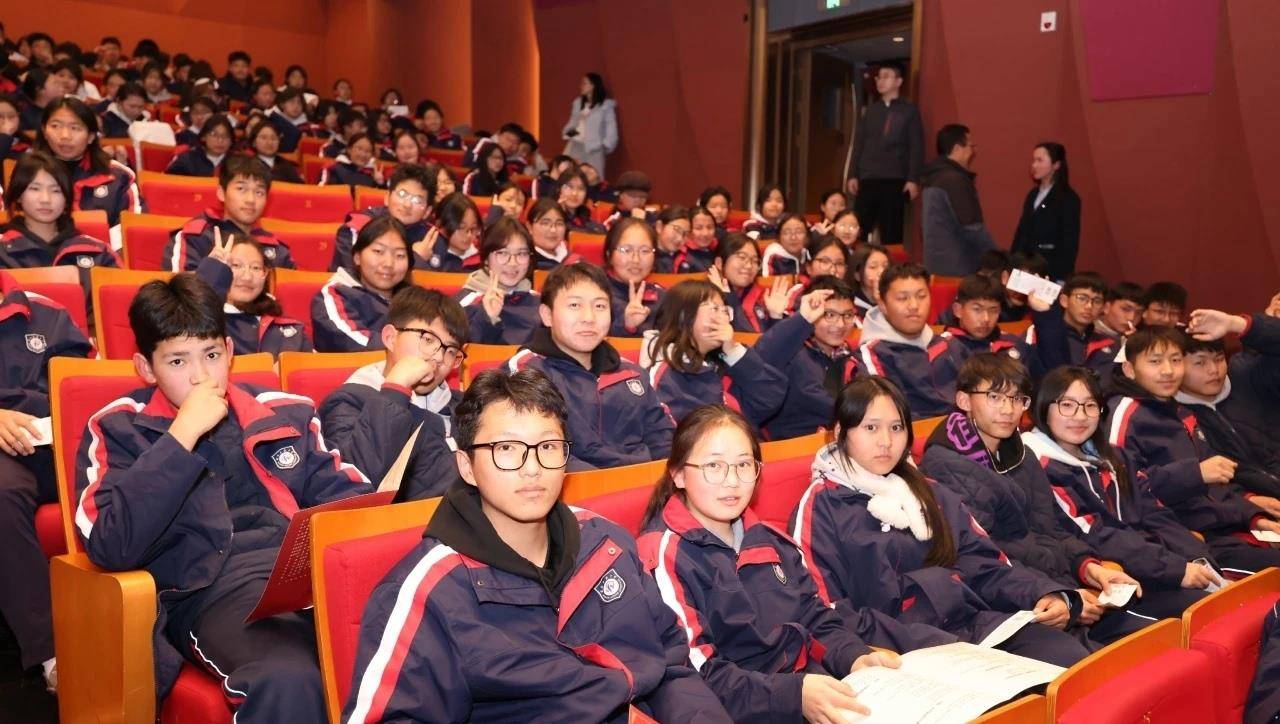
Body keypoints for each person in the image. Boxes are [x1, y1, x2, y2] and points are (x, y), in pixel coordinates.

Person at [344, 367, 728, 721]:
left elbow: (672, 663)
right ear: (467, 467)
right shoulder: (429, 591)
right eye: (506, 449)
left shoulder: (605, 542)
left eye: (548, 447)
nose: (532, 468)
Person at [73, 271, 368, 721]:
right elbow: (110, 543)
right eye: (177, 361)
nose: (200, 377)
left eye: (211, 355)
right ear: (146, 368)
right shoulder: (119, 428)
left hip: (303, 578)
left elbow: (351, 501)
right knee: (288, 679)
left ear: (230, 352)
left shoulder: (283, 411)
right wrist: (182, 435)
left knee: (414, 640)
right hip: (209, 591)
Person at [793, 376, 1091, 666]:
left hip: (974, 629)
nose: (886, 441)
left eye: (896, 427)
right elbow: (826, 611)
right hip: (900, 651)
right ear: (840, 432)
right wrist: (932, 643)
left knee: (1068, 658)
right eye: (871, 428)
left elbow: (986, 565)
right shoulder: (821, 507)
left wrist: (1044, 593)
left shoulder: (930, 491)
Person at [640, 404, 899, 721]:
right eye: (714, 466)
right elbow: (696, 674)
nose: (732, 481)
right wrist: (793, 696)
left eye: (743, 465)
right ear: (679, 474)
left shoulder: (773, 541)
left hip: (805, 688)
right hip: (744, 709)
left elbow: (814, 618)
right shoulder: (663, 556)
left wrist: (854, 657)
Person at [920, 354, 1158, 645]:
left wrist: (1090, 568)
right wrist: (1061, 594)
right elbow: (984, 560)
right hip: (1014, 603)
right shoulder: (947, 465)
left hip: (1055, 586)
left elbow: (1054, 526)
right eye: (995, 397)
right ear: (964, 400)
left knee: (1152, 639)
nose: (1008, 409)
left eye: (1017, 399)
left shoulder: (1019, 452)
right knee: (1113, 659)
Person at [1024, 367, 1219, 599]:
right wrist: (1176, 570)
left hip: (1157, 564)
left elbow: (1155, 513)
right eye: (1067, 405)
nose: (1080, 416)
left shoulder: (1116, 457)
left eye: (1090, 405)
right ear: (1043, 408)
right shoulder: (1040, 465)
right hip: (1116, 581)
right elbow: (1096, 535)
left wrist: (1198, 559)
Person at [1106, 326, 1280, 574]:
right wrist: (1194, 474)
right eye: (1155, 361)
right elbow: (1123, 491)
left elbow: (1217, 486)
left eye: (1175, 360)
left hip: (1223, 528)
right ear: (1130, 369)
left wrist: (1254, 516)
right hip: (1185, 542)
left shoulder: (1179, 411)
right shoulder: (1124, 414)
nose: (1168, 370)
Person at [0, 269, 92, 694]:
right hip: (4, 453)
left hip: (57, 439)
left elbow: (86, 386)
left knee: (136, 473)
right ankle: (52, 653)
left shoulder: (48, 313)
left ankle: (151, 624)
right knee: (2, 493)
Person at [506, 263, 674, 470]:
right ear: (547, 315)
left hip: (643, 482)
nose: (589, 318)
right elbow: (539, 451)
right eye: (575, 305)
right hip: (574, 486)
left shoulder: (632, 373)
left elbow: (664, 439)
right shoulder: (526, 372)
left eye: (600, 306)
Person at [320, 286, 466, 502]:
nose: (438, 358)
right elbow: (355, 488)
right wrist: (397, 388)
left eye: (451, 351)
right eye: (428, 340)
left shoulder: (461, 405)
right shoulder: (347, 402)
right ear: (390, 338)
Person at [643, 280, 790, 427]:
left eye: (725, 311)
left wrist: (733, 351)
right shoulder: (665, 371)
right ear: (683, 315)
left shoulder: (720, 361)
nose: (724, 318)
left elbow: (769, 399)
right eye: (714, 309)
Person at [1175, 310, 1280, 497]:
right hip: (1258, 505)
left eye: (1219, 359)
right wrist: (1246, 499)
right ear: (1176, 366)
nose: (1214, 370)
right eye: (1200, 363)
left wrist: (1237, 324)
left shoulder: (1248, 374)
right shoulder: (1174, 416)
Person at [754, 276, 860, 440]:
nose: (840, 324)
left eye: (847, 315)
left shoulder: (853, 356)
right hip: (794, 447)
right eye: (830, 315)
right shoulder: (793, 354)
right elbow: (761, 358)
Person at [0, 151, 120, 290]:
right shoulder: (3, 250)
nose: (45, 199)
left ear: (67, 199)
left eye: (56, 191)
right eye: (35, 189)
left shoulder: (99, 252)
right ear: (18, 195)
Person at [34, 97, 145, 246]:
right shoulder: (28, 173)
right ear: (44, 131)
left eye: (75, 128)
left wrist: (98, 252)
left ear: (91, 136)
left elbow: (131, 228)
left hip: (103, 255)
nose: (65, 136)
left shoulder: (118, 176)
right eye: (55, 126)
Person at [856, 263, 955, 418]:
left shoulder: (948, 344)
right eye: (902, 298)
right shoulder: (872, 356)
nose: (914, 306)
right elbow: (890, 416)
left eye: (921, 296)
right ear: (882, 304)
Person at [193, 230, 311, 356]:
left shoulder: (291, 331)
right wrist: (211, 274)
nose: (247, 277)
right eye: (236, 265)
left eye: (256, 267)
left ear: (265, 274)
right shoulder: (203, 324)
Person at [165, 157, 293, 271]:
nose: (251, 200)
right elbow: (180, 287)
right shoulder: (196, 238)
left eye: (259, 192)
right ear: (221, 193)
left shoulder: (275, 248)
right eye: (241, 189)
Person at [846, 62, 923, 247]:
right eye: (879, 77)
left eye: (886, 76)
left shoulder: (909, 111)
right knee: (858, 229)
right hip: (868, 178)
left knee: (891, 233)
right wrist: (853, 174)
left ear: (898, 81)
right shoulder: (871, 111)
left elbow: (916, 146)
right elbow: (859, 144)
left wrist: (913, 178)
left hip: (894, 179)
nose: (880, 81)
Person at [312, 214, 412, 352]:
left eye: (400, 255)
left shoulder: (415, 300)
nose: (389, 263)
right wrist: (410, 347)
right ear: (357, 257)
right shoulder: (335, 293)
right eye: (378, 251)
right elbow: (350, 340)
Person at [920, 124, 996, 276]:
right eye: (970, 146)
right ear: (956, 149)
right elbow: (972, 227)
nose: (973, 151)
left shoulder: (933, 177)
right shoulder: (954, 181)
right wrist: (996, 257)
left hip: (936, 264)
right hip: (959, 267)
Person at [329, 164, 434, 272]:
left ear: (427, 211)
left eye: (417, 200)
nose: (407, 205)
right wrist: (416, 260)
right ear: (387, 197)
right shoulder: (358, 228)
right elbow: (353, 277)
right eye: (402, 194)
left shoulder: (431, 237)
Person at [455, 217, 541, 345]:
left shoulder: (539, 301)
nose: (513, 263)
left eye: (521, 254)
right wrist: (487, 317)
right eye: (503, 253)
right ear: (486, 258)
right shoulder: (465, 303)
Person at [938, 274, 1041, 380]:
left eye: (993, 310)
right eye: (977, 309)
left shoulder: (1013, 344)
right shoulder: (944, 350)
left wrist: (1044, 314)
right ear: (958, 310)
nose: (986, 318)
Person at [1023, 272, 1119, 376]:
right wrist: (1044, 312)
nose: (1089, 306)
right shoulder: (1039, 332)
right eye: (1082, 298)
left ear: (1103, 307)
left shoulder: (1110, 343)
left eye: (1097, 301)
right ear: (1064, 300)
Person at [1012, 142, 1081, 281]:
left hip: (1050, 268)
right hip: (1025, 266)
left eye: (1040, 160)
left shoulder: (1068, 198)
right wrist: (1012, 262)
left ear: (1056, 165)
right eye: (1033, 160)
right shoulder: (1033, 194)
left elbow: (1069, 241)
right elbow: (1021, 231)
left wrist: (1062, 277)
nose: (1034, 165)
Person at [603, 217, 665, 337]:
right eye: (627, 250)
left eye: (645, 251)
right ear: (609, 254)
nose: (636, 259)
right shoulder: (594, 295)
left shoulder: (662, 297)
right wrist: (627, 325)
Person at [562, 72, 618, 177]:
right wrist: (569, 133)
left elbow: (611, 129)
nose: (581, 86)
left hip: (594, 149)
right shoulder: (578, 103)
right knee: (571, 176)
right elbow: (573, 122)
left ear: (593, 86)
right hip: (576, 145)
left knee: (592, 177)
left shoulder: (605, 106)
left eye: (584, 83)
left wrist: (604, 145)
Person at [420, 192, 482, 272]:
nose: (469, 235)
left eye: (473, 228)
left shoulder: (480, 260)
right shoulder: (427, 254)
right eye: (461, 228)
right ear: (439, 224)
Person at [164, 113, 233, 177]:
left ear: (231, 141)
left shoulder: (236, 163)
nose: (220, 140)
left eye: (226, 136)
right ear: (204, 137)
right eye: (214, 135)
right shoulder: (187, 160)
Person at [320, 133, 385, 188]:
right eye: (359, 149)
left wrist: (380, 183)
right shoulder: (333, 168)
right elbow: (324, 193)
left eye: (368, 151)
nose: (363, 155)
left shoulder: (373, 173)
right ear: (349, 149)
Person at [527, 197, 573, 270]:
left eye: (559, 223)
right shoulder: (528, 264)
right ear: (529, 227)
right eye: (545, 223)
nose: (553, 230)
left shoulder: (573, 260)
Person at [265, 87, 315, 154]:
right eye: (292, 102)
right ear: (282, 104)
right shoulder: (273, 122)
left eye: (299, 103)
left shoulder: (306, 128)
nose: (296, 106)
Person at [760, 213, 811, 277]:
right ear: (779, 237)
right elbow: (768, 281)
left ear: (807, 236)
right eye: (787, 233)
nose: (793, 237)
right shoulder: (774, 256)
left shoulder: (808, 254)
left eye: (799, 232)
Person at [848, 244, 889, 321]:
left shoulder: (894, 300)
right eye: (873, 267)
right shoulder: (852, 307)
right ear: (857, 275)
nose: (882, 271)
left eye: (886, 266)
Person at [558, 167, 605, 233]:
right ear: (559, 189)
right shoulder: (549, 216)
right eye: (570, 187)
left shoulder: (595, 226)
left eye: (581, 188)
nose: (575, 193)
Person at [673, 206, 717, 273]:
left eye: (710, 227)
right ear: (688, 230)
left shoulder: (720, 248)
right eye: (698, 228)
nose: (705, 233)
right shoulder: (683, 257)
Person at [653, 205, 690, 273]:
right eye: (677, 230)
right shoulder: (646, 257)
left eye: (686, 234)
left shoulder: (688, 258)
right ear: (659, 226)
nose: (680, 239)